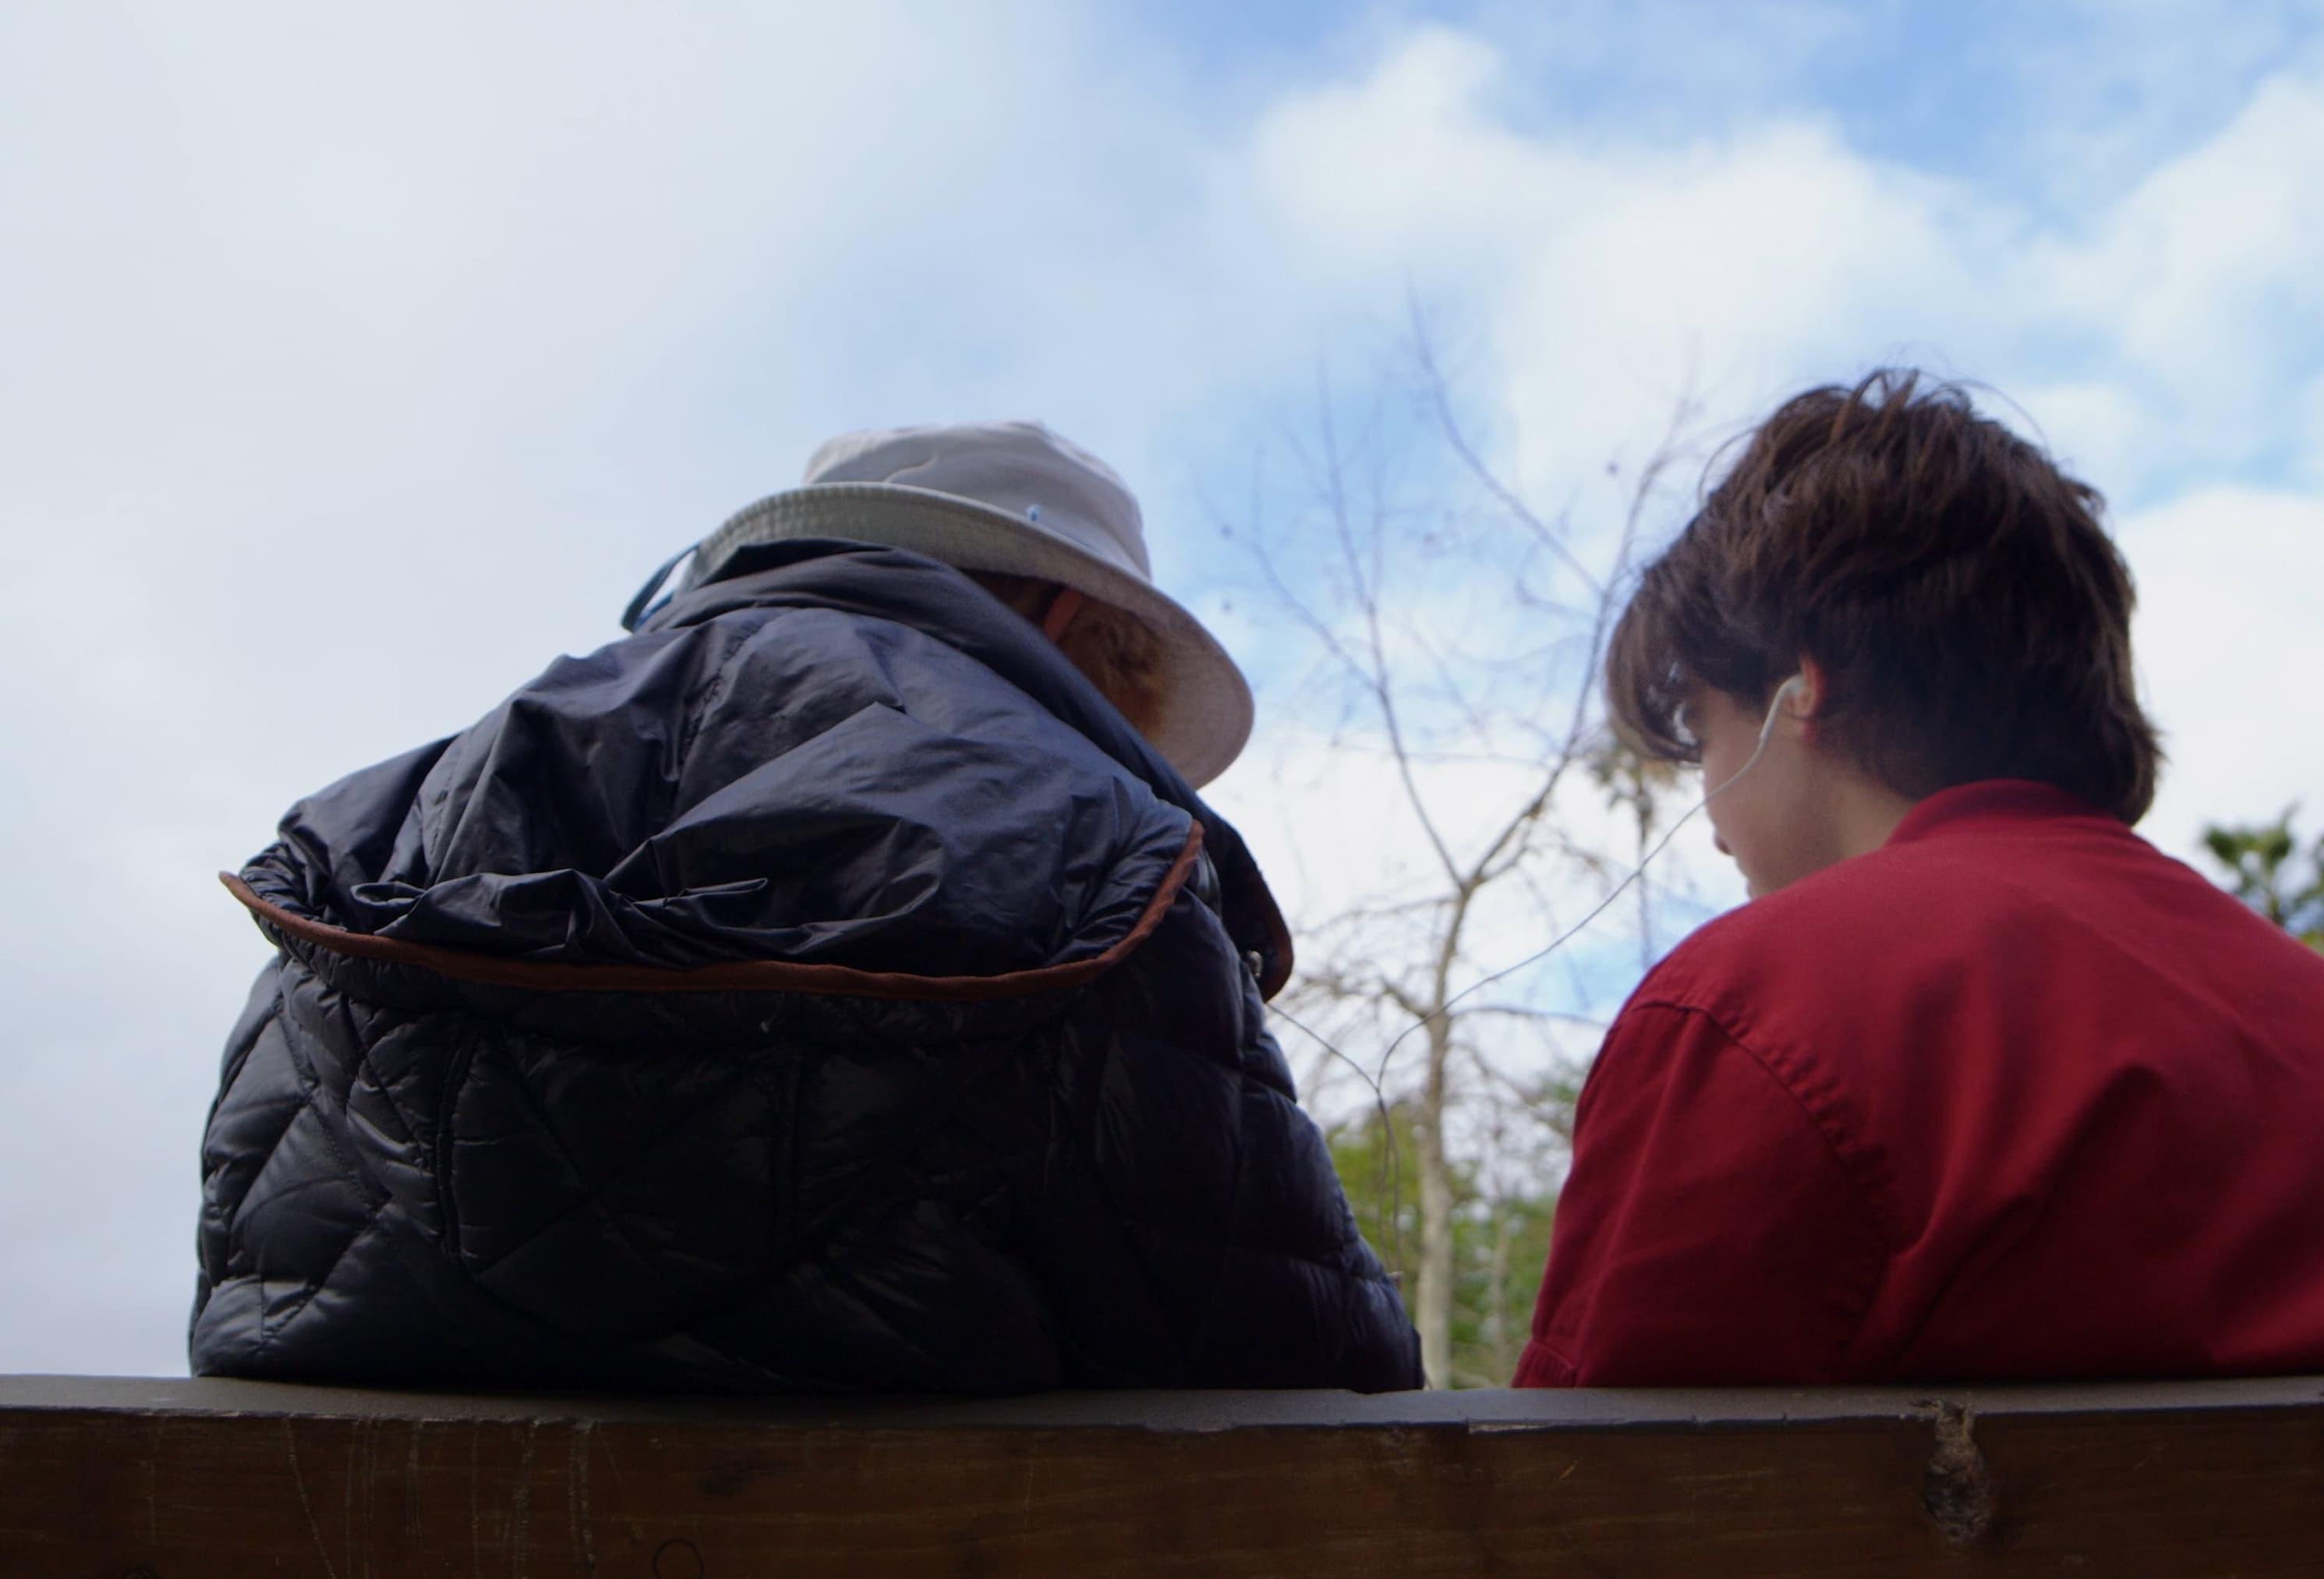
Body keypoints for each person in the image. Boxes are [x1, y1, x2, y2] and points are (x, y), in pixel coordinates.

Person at [193, 421, 1420, 1393]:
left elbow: (261, 1280)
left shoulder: (403, 803)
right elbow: (1299, 1355)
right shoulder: (1099, 834)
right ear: (1062, 619)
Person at [1516, 373, 2324, 1387]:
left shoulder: (1750, 1014)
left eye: (1703, 734)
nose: (1716, 828)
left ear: (1801, 692)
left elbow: (1565, 1528)